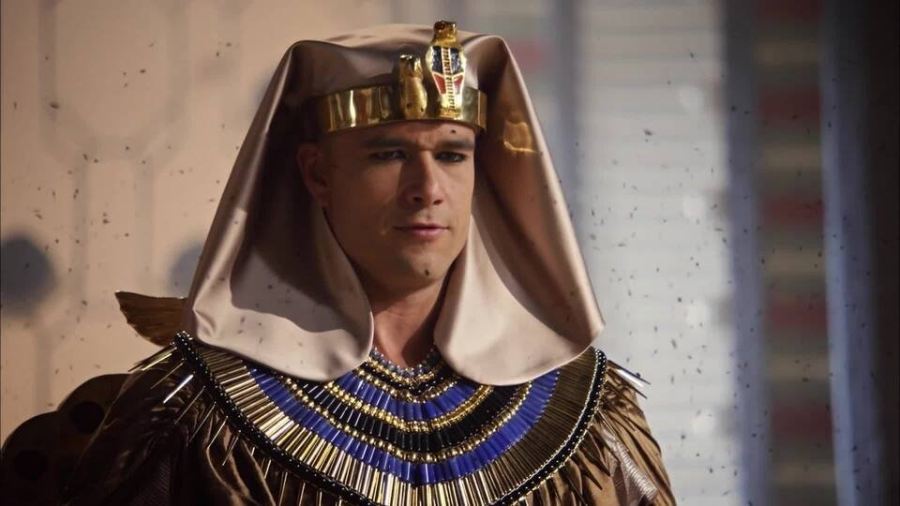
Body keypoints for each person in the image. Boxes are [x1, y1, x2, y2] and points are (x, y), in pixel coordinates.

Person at [63, 21, 675, 505]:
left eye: (453, 155)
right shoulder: (193, 409)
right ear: (317, 174)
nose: (427, 189)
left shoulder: (589, 413)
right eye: (388, 154)